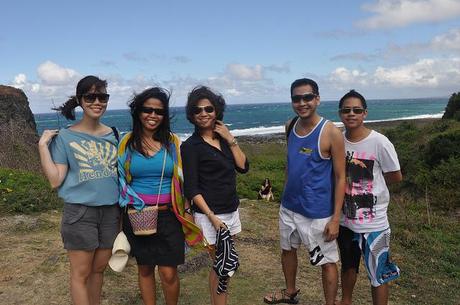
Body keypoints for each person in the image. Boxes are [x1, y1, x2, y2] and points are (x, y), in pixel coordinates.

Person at [38, 75, 120, 305]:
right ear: (80, 100)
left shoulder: (113, 134)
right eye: (90, 96)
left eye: (102, 96)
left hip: (111, 213)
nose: (97, 101)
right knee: (81, 273)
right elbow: (55, 180)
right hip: (81, 212)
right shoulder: (65, 136)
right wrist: (43, 146)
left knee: (99, 270)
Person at [117, 87, 203, 305]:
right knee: (145, 269)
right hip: (138, 215)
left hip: (170, 216)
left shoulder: (172, 143)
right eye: (147, 110)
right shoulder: (127, 143)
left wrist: (187, 210)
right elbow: (120, 179)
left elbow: (181, 180)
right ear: (138, 112)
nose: (153, 115)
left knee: (168, 273)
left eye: (159, 111)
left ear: (164, 115)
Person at [264, 78, 345, 305]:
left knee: (327, 261)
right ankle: (290, 292)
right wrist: (283, 198)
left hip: (318, 212)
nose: (302, 102)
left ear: (317, 99)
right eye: (296, 98)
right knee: (287, 249)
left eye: (307, 97)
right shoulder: (290, 125)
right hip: (289, 206)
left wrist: (336, 218)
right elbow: (290, 164)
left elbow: (341, 177)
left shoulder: (331, 133)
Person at [181, 86, 249, 305]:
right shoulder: (191, 146)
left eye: (208, 109)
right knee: (224, 266)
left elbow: (243, 167)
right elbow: (192, 188)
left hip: (230, 210)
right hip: (211, 215)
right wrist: (212, 217)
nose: (203, 114)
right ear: (191, 115)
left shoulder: (223, 139)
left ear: (216, 111)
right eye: (197, 110)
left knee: (219, 266)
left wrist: (229, 138)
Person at [336, 90, 402, 305]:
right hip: (346, 220)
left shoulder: (379, 142)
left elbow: (395, 176)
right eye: (346, 110)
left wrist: (372, 188)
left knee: (378, 274)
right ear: (340, 114)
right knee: (348, 267)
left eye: (356, 110)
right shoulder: (338, 141)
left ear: (365, 113)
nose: (351, 114)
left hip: (375, 224)